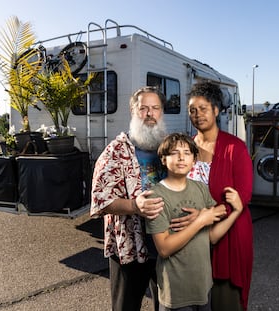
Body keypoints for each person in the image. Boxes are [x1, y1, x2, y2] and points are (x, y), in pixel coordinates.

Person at [90, 86, 197, 311]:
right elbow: (100, 200)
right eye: (143, 108)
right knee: (126, 306)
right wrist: (133, 205)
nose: (150, 114)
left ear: (161, 112)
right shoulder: (116, 152)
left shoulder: (170, 147)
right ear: (133, 111)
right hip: (129, 248)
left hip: (166, 246)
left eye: (155, 108)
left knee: (169, 304)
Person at [145, 133, 244, 311]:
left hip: (203, 287)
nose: (182, 157)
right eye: (174, 152)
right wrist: (200, 221)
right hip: (176, 293)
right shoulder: (155, 196)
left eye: (187, 153)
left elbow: (212, 237)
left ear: (194, 160)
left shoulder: (200, 189)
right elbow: (164, 249)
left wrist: (236, 211)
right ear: (163, 159)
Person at [184, 82, 254, 311]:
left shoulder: (235, 148)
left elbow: (243, 196)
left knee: (225, 301)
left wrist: (206, 216)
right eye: (192, 110)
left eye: (203, 108)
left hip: (228, 235)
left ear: (216, 110)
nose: (197, 115)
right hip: (193, 236)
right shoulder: (187, 147)